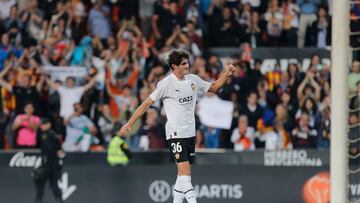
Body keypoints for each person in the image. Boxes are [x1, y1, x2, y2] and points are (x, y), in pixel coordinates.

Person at [120, 49, 235, 203]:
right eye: (183, 64)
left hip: (190, 133)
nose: (187, 66)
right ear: (174, 66)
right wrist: (129, 123)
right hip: (175, 133)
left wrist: (226, 74)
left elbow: (214, 88)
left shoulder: (193, 79)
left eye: (187, 62)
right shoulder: (165, 84)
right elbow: (147, 103)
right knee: (186, 174)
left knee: (182, 175)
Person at [34, 117, 64, 203]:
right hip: (54, 163)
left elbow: (50, 148)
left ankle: (39, 200)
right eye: (41, 124)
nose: (41, 126)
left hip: (48, 163)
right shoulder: (54, 134)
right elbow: (59, 149)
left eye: (43, 124)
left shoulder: (45, 134)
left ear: (49, 124)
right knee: (54, 184)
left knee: (41, 183)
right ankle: (59, 200)